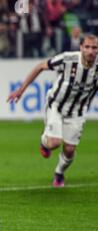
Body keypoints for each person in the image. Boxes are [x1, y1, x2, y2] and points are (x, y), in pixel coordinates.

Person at [7, 34, 98, 187]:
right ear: (81, 47)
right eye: (87, 47)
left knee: (69, 150)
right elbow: (40, 66)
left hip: (78, 111)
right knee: (54, 143)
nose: (90, 51)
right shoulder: (68, 59)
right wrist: (21, 90)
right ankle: (44, 143)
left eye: (94, 48)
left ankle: (59, 173)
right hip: (56, 105)